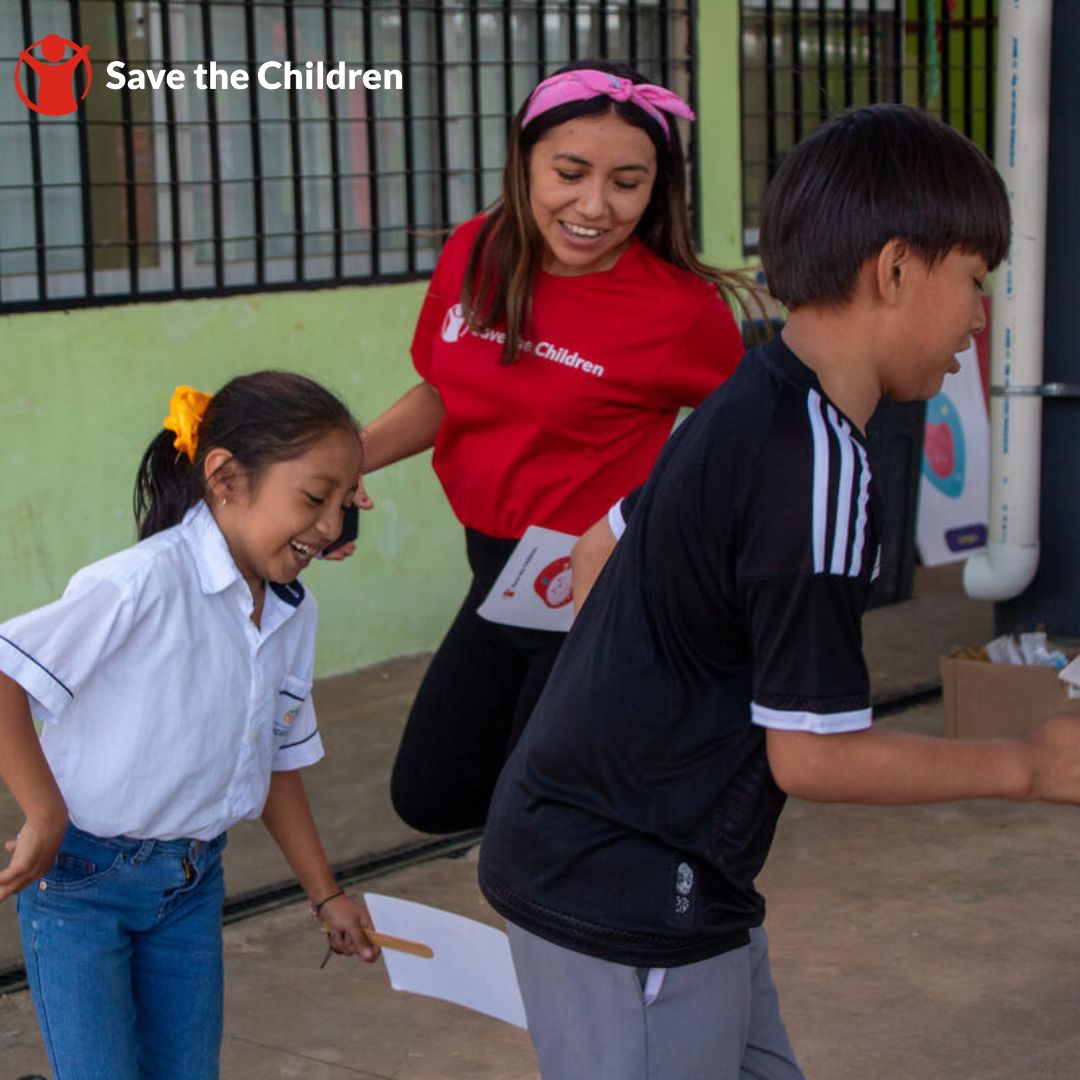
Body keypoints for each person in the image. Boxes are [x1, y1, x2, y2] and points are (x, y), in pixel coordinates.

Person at [478, 104, 1080, 1079]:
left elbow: (598, 548)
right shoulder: (821, 468)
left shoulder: (755, 391)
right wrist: (1028, 765)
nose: (979, 319)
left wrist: (637, 727)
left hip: (649, 862)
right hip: (625, 894)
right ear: (894, 270)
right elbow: (812, 756)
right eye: (974, 282)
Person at [353, 60, 748, 835]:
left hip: (604, 595)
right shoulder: (477, 249)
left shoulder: (680, 311)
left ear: (655, 188)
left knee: (541, 821)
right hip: (497, 577)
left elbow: (749, 437)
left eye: (627, 183)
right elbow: (444, 390)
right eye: (570, 172)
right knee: (433, 796)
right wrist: (343, 462)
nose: (594, 206)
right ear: (524, 161)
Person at [0, 372, 379, 1080]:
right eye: (314, 497)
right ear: (226, 477)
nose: (331, 527)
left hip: (192, 883)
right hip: (83, 884)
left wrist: (326, 893)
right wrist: (44, 811)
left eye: (346, 503)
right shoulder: (141, 583)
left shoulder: (294, 612)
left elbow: (275, 766)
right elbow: (4, 674)